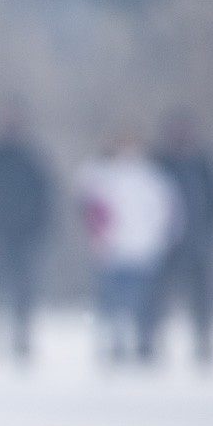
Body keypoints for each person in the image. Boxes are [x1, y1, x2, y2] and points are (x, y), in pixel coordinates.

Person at [75, 134, 176, 364]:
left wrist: (161, 241)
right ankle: (114, 343)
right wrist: (99, 239)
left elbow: (166, 212)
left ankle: (144, 343)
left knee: (144, 303)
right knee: (112, 302)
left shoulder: (153, 178)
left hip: (144, 251)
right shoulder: (104, 176)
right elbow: (90, 205)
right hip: (113, 251)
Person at [0, 98, 54, 363]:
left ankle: (21, 336)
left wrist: (36, 229)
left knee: (22, 290)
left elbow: (44, 196)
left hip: (22, 236)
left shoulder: (30, 158)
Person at [149, 108, 213, 365]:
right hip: (164, 243)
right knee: (159, 296)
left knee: (201, 297)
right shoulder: (158, 163)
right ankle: (154, 339)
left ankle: (203, 341)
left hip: (197, 241)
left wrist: (209, 231)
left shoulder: (203, 164)